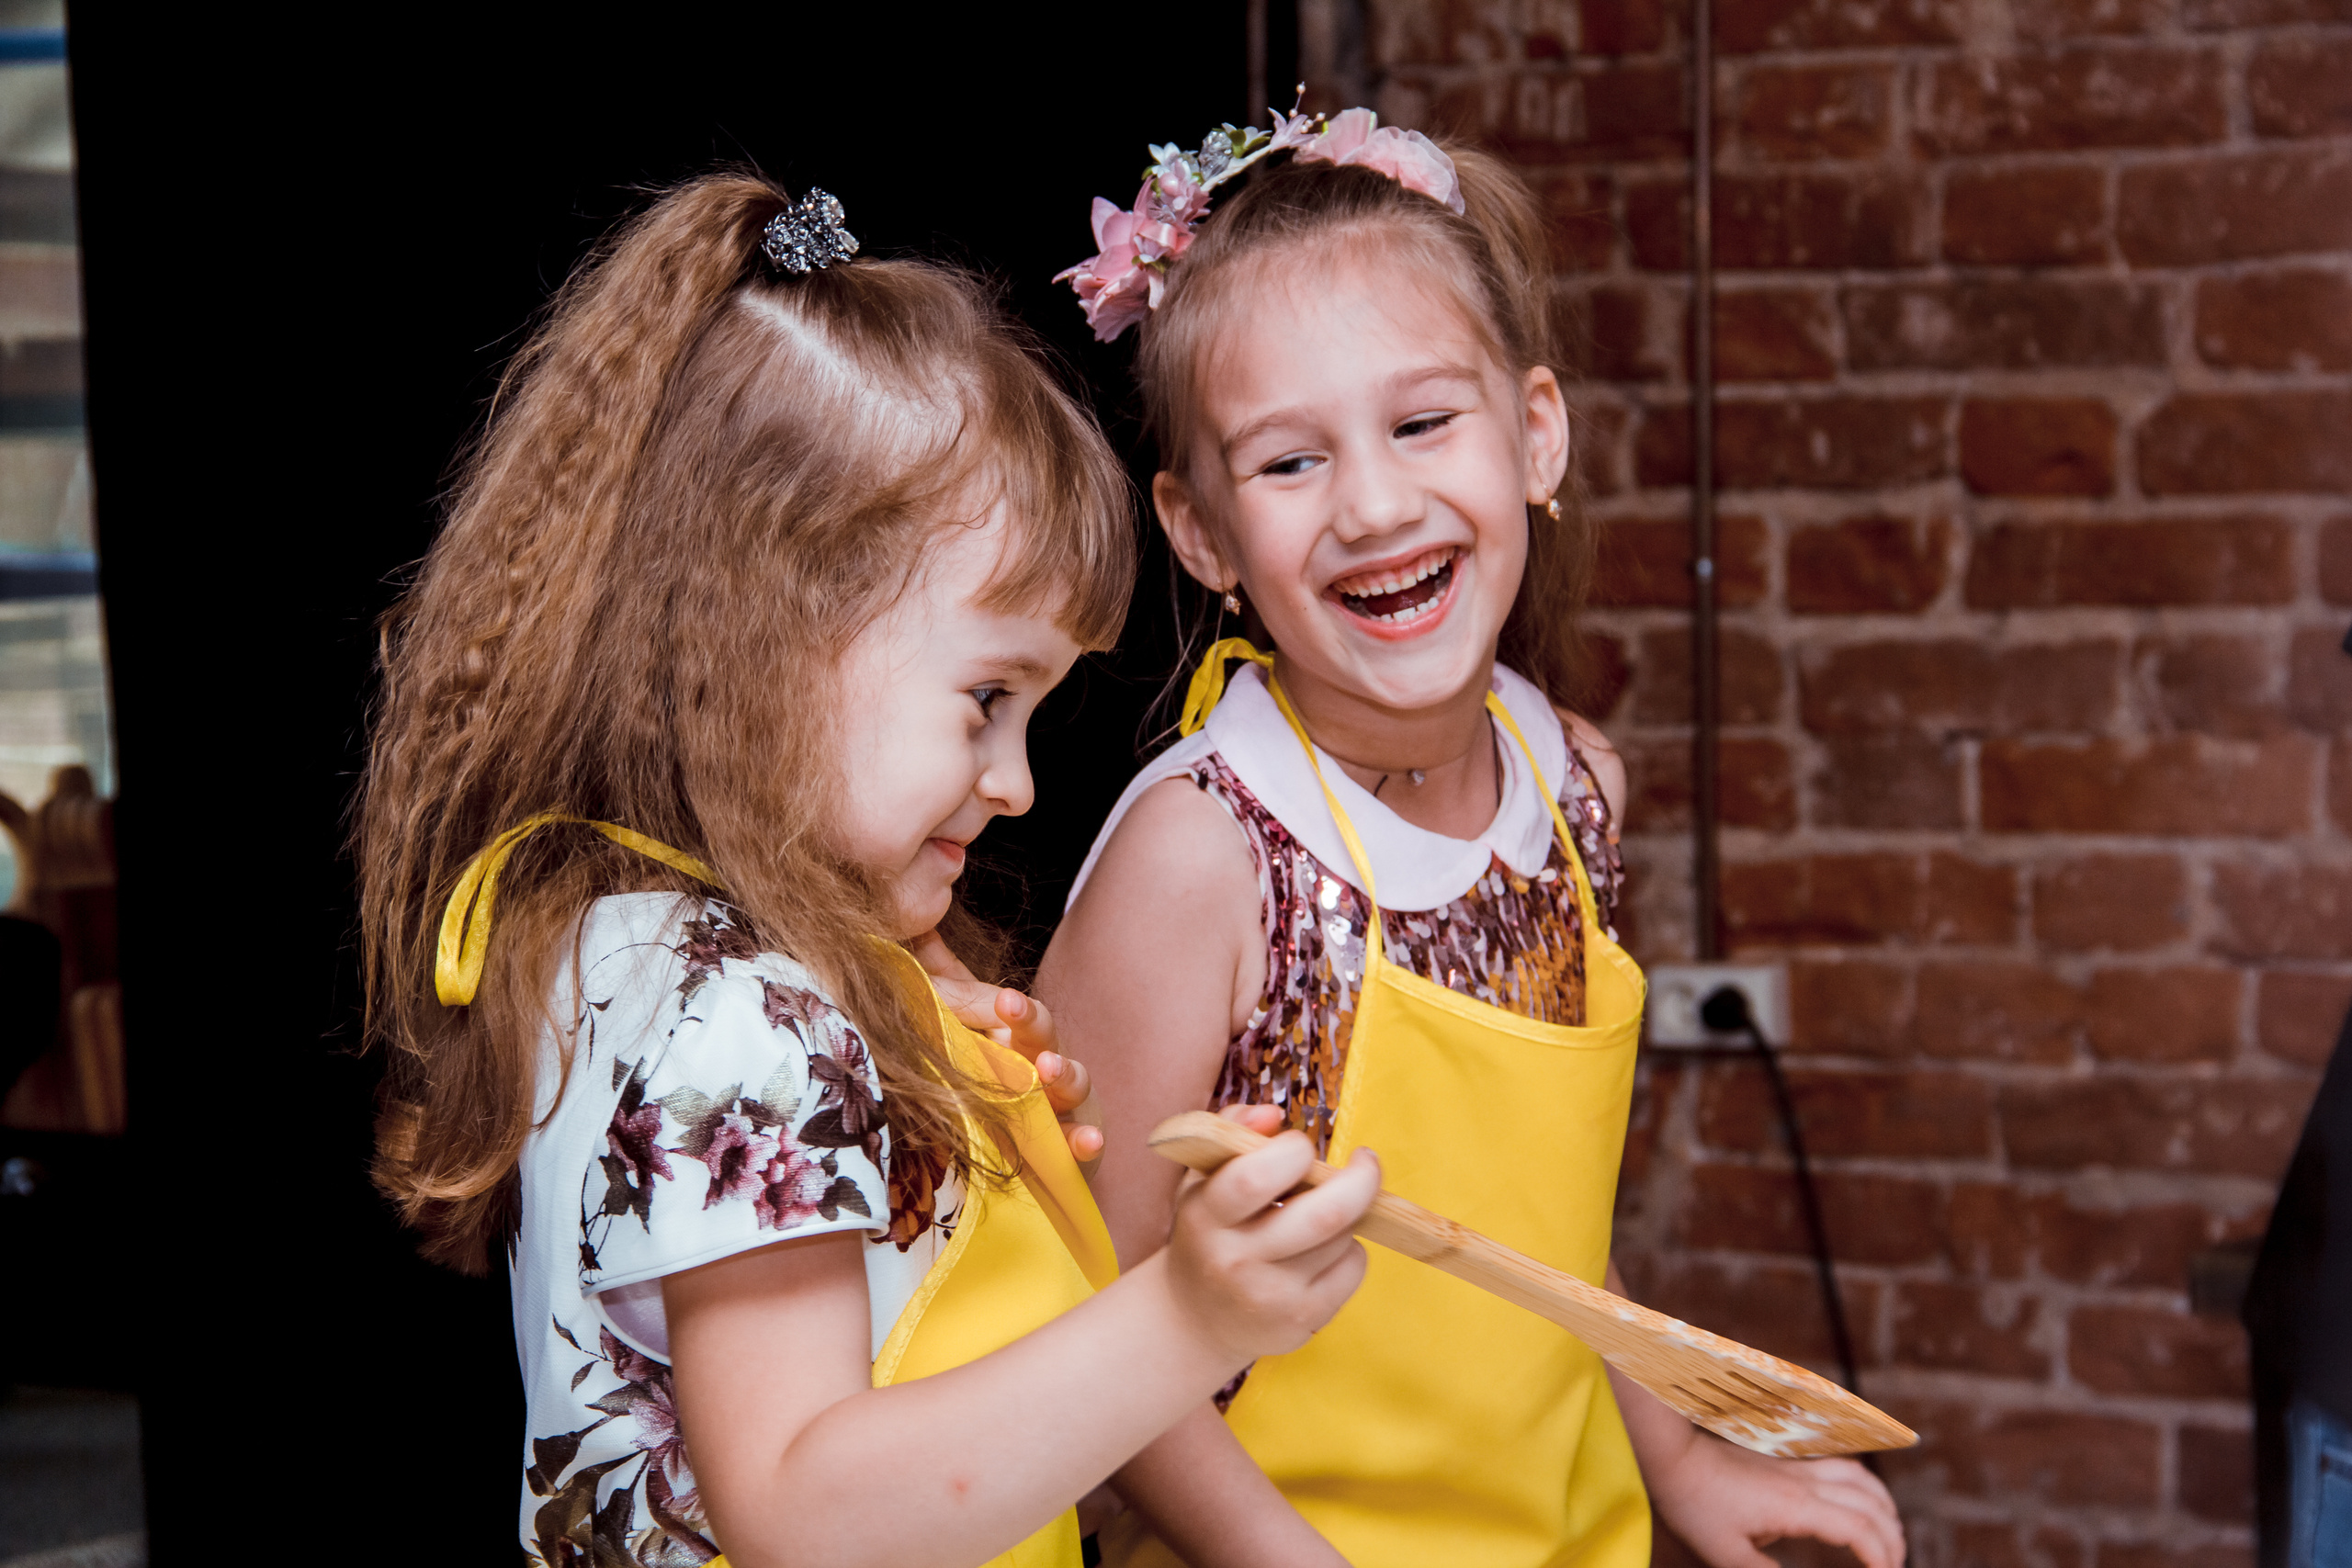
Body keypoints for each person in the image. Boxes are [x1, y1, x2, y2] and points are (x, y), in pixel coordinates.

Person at [355, 173, 1381, 1568]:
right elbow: (801, 1509)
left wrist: (908, 1058)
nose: (1017, 783)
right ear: (772, 635)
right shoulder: (750, 1020)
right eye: (985, 698)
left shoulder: (621, 939)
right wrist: (1185, 1318)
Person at [1038, 109, 1908, 1568]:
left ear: (1537, 433)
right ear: (1200, 535)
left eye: (1423, 422)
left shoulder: (1575, 790)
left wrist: (1680, 1463)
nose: (1376, 507)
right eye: (1289, 463)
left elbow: (1539, 1231)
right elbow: (1077, 1315)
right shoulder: (1202, 862)